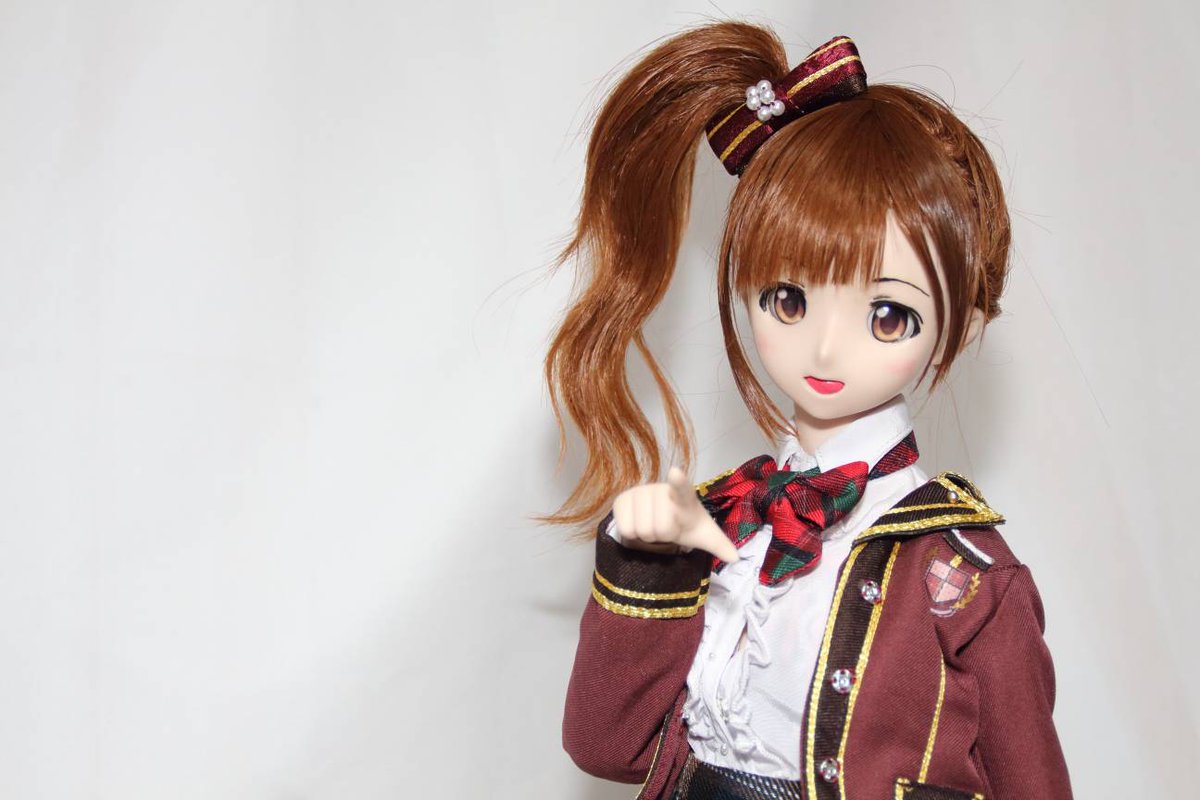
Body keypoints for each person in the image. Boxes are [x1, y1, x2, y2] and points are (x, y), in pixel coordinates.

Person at [542, 22, 1072, 800]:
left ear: (962, 323)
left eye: (887, 315)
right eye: (787, 299)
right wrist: (651, 564)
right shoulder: (727, 517)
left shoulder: (961, 576)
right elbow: (608, 746)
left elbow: (1035, 782)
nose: (824, 348)